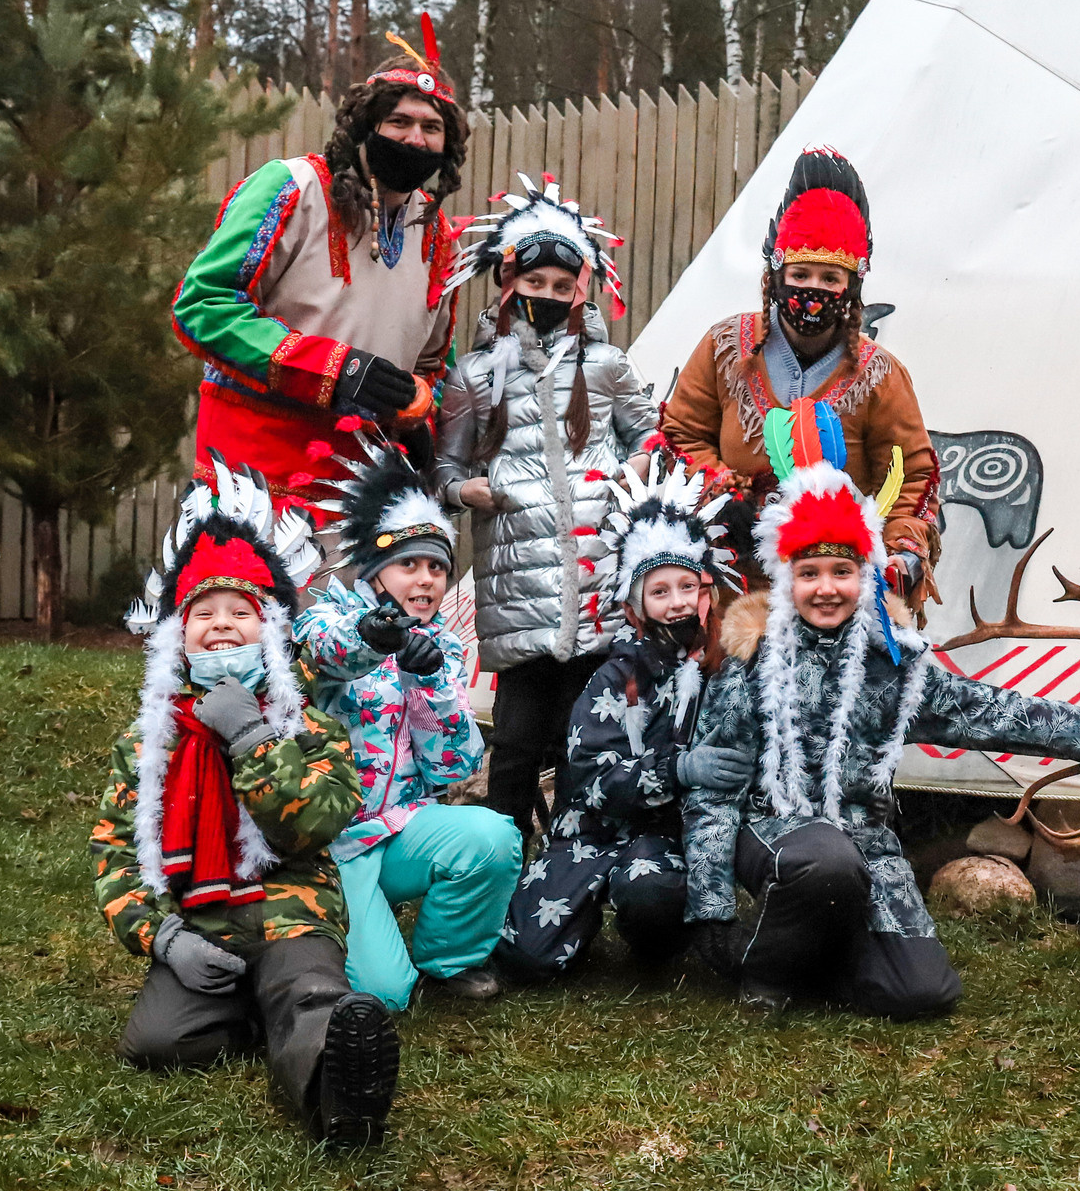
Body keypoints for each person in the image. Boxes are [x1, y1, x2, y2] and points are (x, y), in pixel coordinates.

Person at [681, 421, 1080, 1018]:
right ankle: (766, 972)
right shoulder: (751, 658)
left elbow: (994, 713)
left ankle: (818, 950)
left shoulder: (897, 665)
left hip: (865, 840)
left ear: (865, 576)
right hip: (775, 831)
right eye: (809, 574)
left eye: (842, 572)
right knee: (824, 861)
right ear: (788, 581)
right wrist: (709, 905)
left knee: (920, 993)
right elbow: (712, 792)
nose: (827, 588)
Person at [90, 466, 401, 1148]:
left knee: (311, 998)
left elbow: (312, 824)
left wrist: (251, 736)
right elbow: (114, 854)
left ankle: (338, 1094)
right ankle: (258, 1011)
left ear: (269, 631)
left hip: (293, 913)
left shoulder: (308, 726)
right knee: (157, 1043)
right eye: (205, 613)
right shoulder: (150, 742)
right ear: (179, 633)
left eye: (241, 612)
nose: (222, 624)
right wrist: (163, 938)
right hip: (204, 921)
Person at [436, 177, 657, 844]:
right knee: (518, 740)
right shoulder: (474, 376)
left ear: (580, 291)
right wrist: (463, 491)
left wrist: (634, 469)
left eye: (564, 287)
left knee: (583, 740)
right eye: (537, 285)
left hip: (595, 585)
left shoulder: (609, 365)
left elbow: (649, 433)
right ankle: (500, 866)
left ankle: (573, 870)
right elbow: (446, 463)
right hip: (517, 582)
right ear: (510, 285)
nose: (549, 298)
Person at [173, 16, 470, 501]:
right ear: (363, 126)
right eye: (399, 121)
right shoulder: (292, 188)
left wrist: (419, 412)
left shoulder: (436, 235)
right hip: (252, 481)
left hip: (363, 495)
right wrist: (338, 369)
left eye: (431, 127)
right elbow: (203, 305)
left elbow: (434, 364)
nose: (416, 139)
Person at [294, 435, 524, 1010]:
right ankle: (345, 933)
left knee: (493, 837)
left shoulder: (439, 646)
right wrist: (374, 640)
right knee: (384, 996)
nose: (426, 581)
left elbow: (456, 764)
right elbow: (329, 653)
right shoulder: (329, 617)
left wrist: (434, 686)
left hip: (402, 829)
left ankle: (448, 961)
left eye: (437, 569)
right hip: (331, 843)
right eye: (408, 565)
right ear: (374, 571)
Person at [659, 148, 941, 605]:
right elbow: (678, 433)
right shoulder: (724, 347)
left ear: (850, 288)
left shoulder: (881, 375)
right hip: (731, 589)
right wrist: (720, 494)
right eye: (801, 273)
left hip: (839, 598)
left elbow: (913, 476)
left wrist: (902, 551)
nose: (813, 290)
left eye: (830, 278)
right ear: (777, 275)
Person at [499, 461, 747, 980]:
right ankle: (574, 924)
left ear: (707, 593)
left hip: (665, 839)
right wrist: (676, 769)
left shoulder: (728, 670)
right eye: (660, 592)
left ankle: (653, 937)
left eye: (687, 587)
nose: (677, 602)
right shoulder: (611, 677)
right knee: (525, 957)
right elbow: (588, 778)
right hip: (587, 832)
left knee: (650, 895)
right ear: (636, 606)